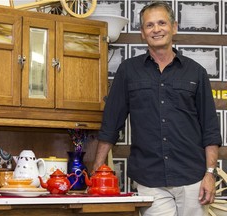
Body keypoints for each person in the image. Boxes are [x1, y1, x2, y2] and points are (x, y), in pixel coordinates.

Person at [92, 1, 222, 216]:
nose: (156, 29)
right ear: (142, 33)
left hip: (193, 178)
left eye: (162, 23)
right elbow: (111, 124)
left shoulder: (196, 72)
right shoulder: (128, 71)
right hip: (149, 178)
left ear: (174, 27)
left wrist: (210, 173)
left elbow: (210, 128)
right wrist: (97, 169)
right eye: (149, 25)